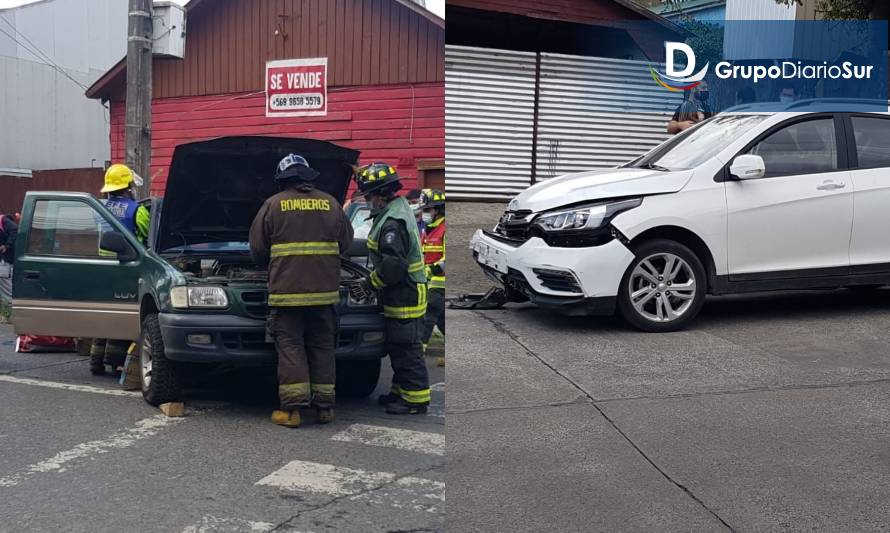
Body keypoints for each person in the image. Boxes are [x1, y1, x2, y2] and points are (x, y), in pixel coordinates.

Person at [249, 154, 353, 428]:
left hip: (287, 294)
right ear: (308, 176)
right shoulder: (331, 204)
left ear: (283, 179)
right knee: (322, 346)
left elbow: (258, 249)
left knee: (291, 346)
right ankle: (325, 408)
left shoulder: (273, 205)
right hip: (325, 294)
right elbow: (346, 243)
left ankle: (293, 411)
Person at [352, 163, 431, 415]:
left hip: (405, 293)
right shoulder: (396, 209)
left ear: (378, 194)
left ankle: (415, 401)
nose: (367, 200)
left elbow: (394, 266)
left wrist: (369, 284)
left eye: (368, 195)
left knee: (407, 349)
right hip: (404, 291)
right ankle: (401, 391)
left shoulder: (392, 223)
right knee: (398, 347)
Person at [90, 164, 150, 375]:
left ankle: (95, 361)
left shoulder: (99, 208)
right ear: (128, 186)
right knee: (122, 314)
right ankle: (114, 361)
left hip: (103, 267)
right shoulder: (138, 210)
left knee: (103, 314)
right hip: (127, 267)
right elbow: (145, 237)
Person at [419, 189, 445, 367]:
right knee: (441, 319)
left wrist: (433, 270)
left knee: (428, 316)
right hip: (429, 282)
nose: (425, 213)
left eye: (428, 210)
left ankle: (417, 354)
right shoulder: (428, 230)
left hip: (441, 282)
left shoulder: (444, 228)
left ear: (437, 210)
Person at [0, 212, 18, 304]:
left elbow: (14, 229)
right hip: (4, 260)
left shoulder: (2, 219)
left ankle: (10, 307)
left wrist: (7, 245)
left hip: (5, 259)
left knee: (5, 284)